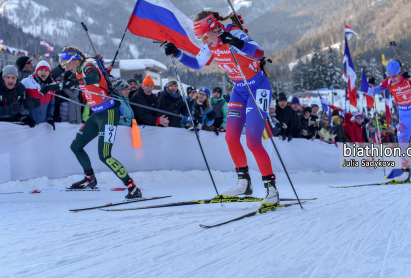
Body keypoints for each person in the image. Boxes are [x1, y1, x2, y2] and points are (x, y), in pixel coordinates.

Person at [165, 11, 279, 208]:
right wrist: (177, 53)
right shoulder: (211, 44)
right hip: (239, 90)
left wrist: (235, 41)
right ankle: (244, 183)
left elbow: (259, 53)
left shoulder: (233, 32)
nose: (204, 41)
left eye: (204, 36)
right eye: (200, 38)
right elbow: (197, 63)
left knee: (253, 141)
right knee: (231, 137)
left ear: (213, 29)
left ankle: (271, 189)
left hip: (258, 87)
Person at [39, 46, 142, 198]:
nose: (67, 67)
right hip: (97, 114)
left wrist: (76, 81)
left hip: (109, 114)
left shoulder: (88, 66)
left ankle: (132, 187)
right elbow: (66, 84)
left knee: (105, 155)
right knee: (76, 146)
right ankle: (90, 179)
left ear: (75, 60)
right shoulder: (79, 71)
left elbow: (93, 78)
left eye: (67, 63)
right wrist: (49, 87)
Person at [369, 60, 411, 182]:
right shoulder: (388, 82)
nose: (391, 79)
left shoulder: (409, 77)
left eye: (393, 76)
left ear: (400, 72)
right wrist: (371, 85)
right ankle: (406, 172)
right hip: (404, 116)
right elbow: (371, 92)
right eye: (389, 76)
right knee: (402, 143)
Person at [21, 61, 56, 129]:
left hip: (43, 124)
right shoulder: (26, 82)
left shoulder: (52, 85)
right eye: (41, 70)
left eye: (46, 70)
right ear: (36, 71)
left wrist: (50, 117)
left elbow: (51, 104)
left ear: (49, 72)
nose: (43, 72)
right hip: (27, 124)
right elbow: (18, 100)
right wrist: (22, 117)